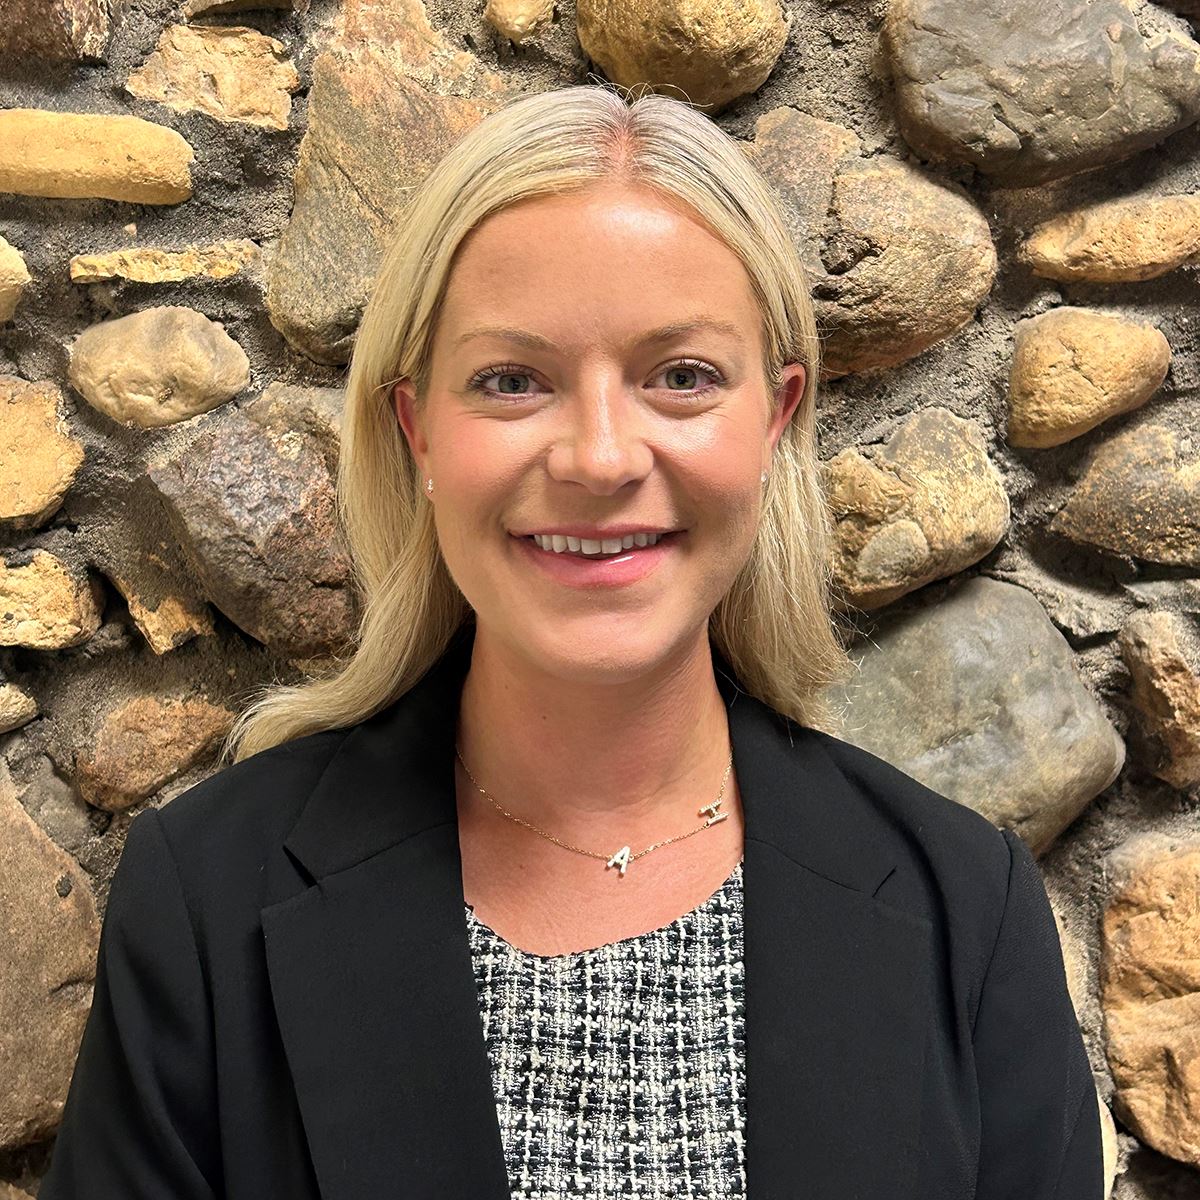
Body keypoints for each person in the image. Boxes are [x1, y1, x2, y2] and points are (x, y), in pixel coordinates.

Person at [37, 83, 1104, 1199]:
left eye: (682, 377)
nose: (600, 457)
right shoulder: (207, 899)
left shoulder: (965, 913)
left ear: (775, 421)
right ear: (419, 431)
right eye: (512, 380)